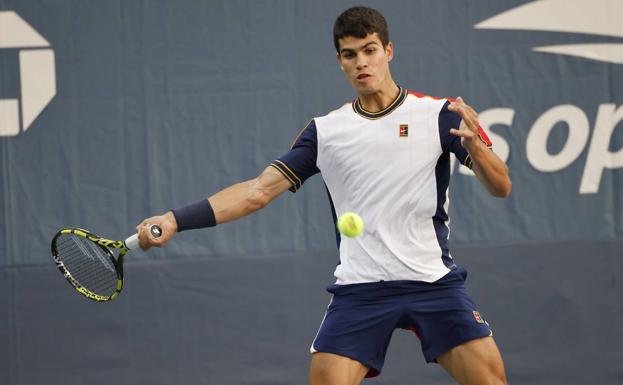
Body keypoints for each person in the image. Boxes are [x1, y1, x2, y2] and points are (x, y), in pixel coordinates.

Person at [137, 6, 511, 385]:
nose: (361, 63)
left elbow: (501, 187)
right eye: (350, 55)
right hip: (361, 289)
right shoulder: (326, 132)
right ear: (340, 61)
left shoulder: (440, 115)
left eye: (369, 50)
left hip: (433, 281)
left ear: (389, 51)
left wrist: (478, 150)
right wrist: (174, 219)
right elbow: (256, 192)